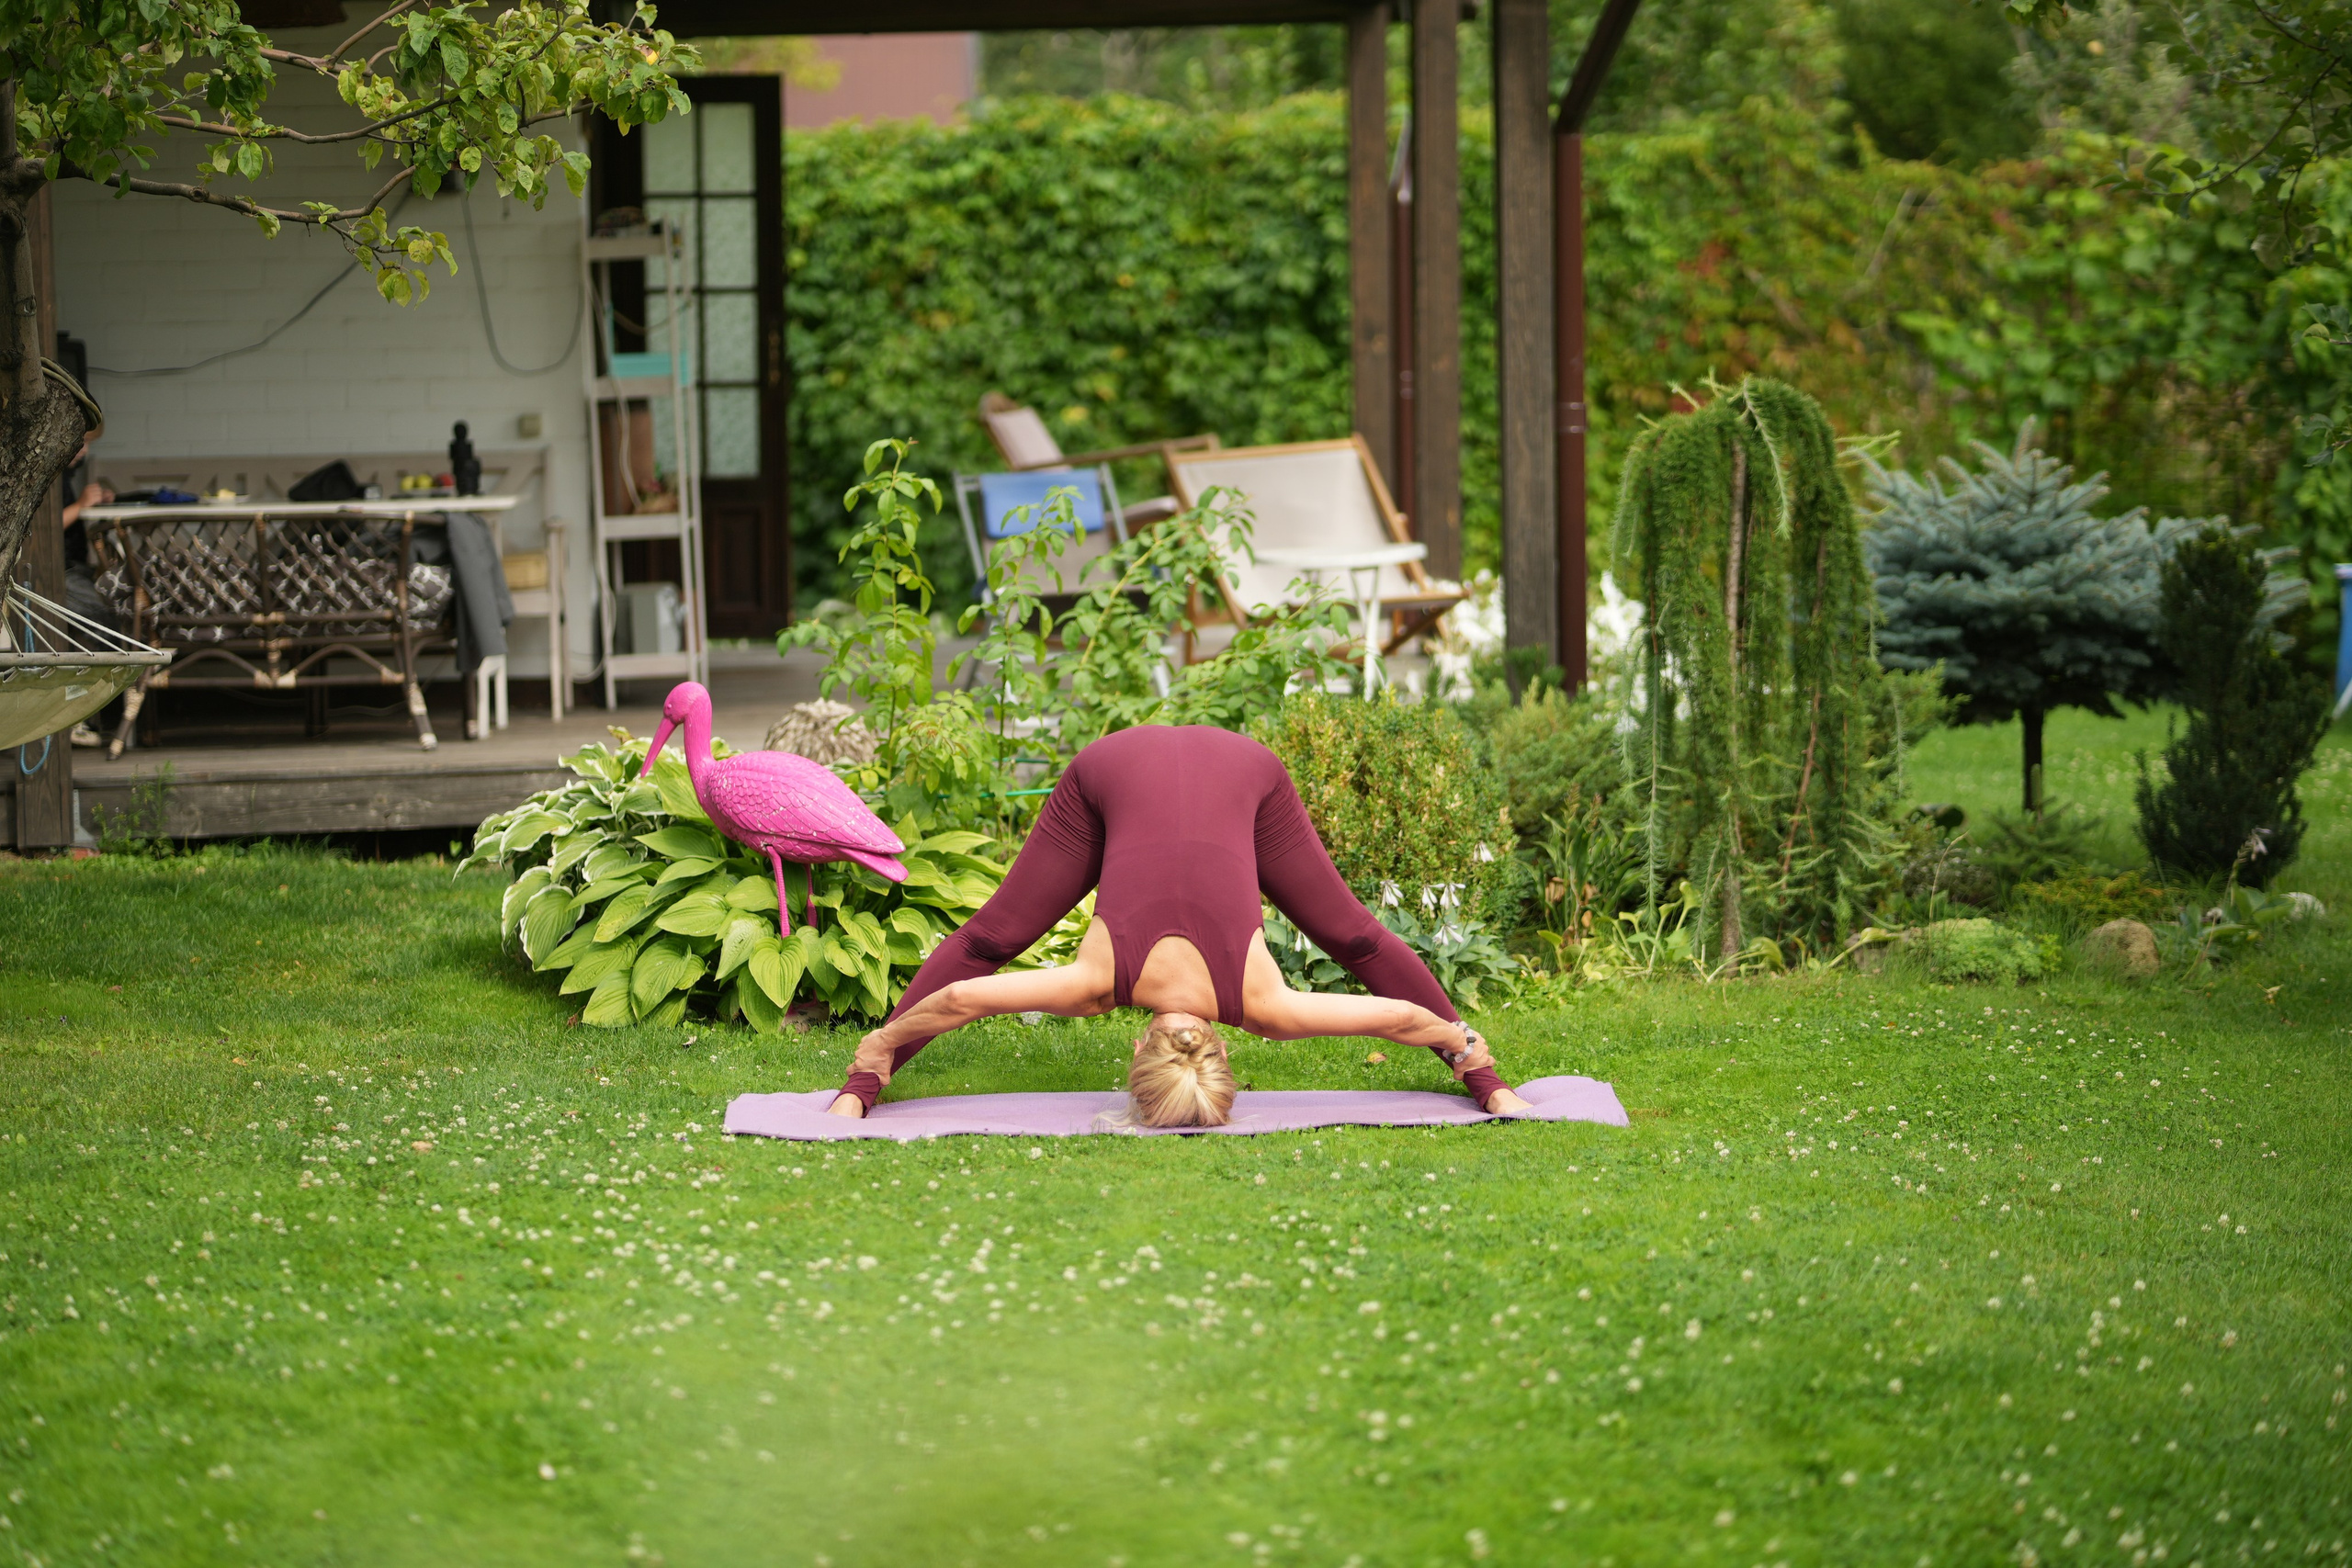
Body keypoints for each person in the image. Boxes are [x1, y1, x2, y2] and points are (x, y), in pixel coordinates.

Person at [828, 724, 1533, 1125]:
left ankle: (1486, 1083)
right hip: (1213, 770)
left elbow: (1401, 1019)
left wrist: (1470, 1051)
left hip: (1155, 768)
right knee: (991, 941)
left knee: (1356, 937)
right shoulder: (1096, 984)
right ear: (1136, 1048)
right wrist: (875, 1056)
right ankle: (863, 1092)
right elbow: (959, 1002)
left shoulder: (1266, 1008)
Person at [58, 443, 117, 749]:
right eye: (79, 440)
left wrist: (94, 503)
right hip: (53, 574)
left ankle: (89, 712)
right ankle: (75, 715)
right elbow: (44, 527)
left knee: (113, 608)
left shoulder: (64, 476)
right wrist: (81, 505)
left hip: (75, 569)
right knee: (97, 616)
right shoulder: (47, 475)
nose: (84, 449)